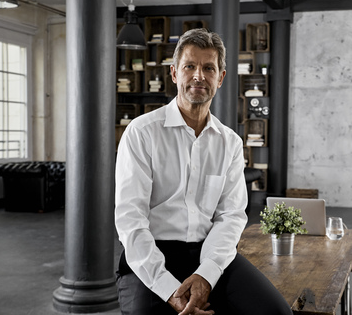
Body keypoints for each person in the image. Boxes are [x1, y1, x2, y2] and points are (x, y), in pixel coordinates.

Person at [115, 28, 292, 315]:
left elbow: (231, 216)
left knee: (276, 313)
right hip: (150, 254)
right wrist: (168, 289)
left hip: (209, 252)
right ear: (174, 74)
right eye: (189, 66)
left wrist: (207, 274)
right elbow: (130, 220)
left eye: (208, 68)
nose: (199, 75)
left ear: (220, 78)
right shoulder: (141, 133)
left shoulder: (230, 143)